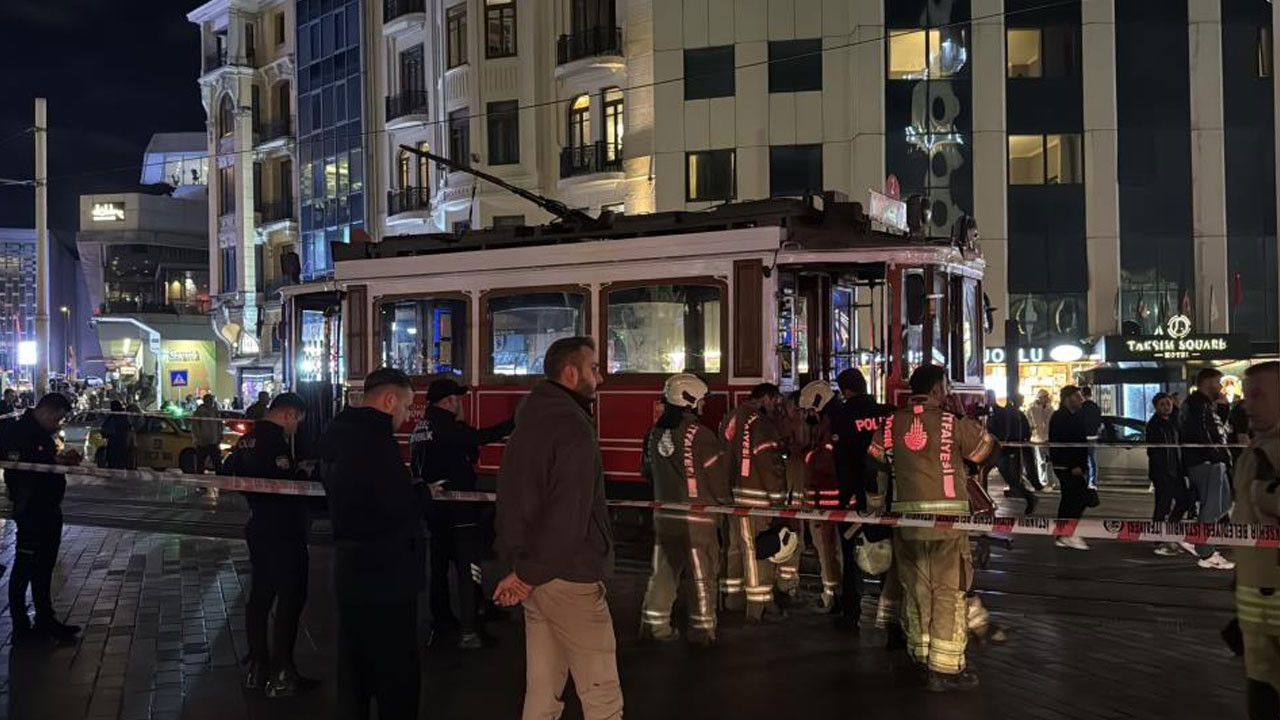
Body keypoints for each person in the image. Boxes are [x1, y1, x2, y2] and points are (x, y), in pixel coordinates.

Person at [492, 336, 623, 720]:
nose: (601, 377)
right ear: (570, 373)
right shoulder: (574, 430)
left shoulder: (529, 422)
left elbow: (513, 502)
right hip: (569, 576)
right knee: (602, 693)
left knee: (543, 689)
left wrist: (520, 572)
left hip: (533, 574)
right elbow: (568, 517)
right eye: (594, 368)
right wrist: (530, 574)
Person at [868, 365, 997, 692]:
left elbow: (875, 463)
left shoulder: (889, 424)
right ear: (939, 388)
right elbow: (987, 451)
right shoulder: (951, 423)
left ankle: (921, 656)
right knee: (948, 592)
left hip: (906, 522)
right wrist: (961, 418)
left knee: (916, 589)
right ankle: (946, 668)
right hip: (948, 522)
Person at [320, 368, 424, 720]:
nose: (407, 416)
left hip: (350, 569)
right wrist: (421, 496)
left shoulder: (338, 433)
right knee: (395, 670)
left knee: (354, 667)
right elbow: (394, 506)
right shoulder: (375, 443)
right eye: (406, 406)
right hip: (387, 573)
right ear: (389, 400)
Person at [411, 376, 514, 651]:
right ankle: (471, 628)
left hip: (435, 512)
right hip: (459, 513)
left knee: (440, 568)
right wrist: (514, 422)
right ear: (449, 402)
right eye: (457, 399)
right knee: (470, 569)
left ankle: (443, 620)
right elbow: (479, 440)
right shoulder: (446, 427)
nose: (460, 404)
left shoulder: (421, 427)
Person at [222, 392, 315, 697]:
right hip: (283, 530)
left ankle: (257, 663)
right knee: (290, 598)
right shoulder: (276, 443)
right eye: (297, 422)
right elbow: (284, 485)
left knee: (260, 595)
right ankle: (282, 670)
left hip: (258, 526)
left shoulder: (246, 440)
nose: (296, 429)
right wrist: (302, 474)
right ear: (289, 415)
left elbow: (228, 471)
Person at [638, 373, 728, 646]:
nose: (703, 405)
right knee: (702, 577)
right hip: (698, 519)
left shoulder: (653, 434)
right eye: (701, 400)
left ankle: (654, 626)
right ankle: (702, 631)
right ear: (689, 400)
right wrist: (723, 509)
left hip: (664, 516)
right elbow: (718, 479)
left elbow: (646, 471)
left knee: (663, 573)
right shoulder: (701, 435)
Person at [2, 392, 82, 642]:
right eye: (57, 419)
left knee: (44, 566)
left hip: (48, 507)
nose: (57, 424)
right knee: (24, 566)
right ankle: (21, 627)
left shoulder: (39, 432)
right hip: (31, 510)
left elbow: (41, 461)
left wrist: (58, 460)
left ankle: (45, 619)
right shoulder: (18, 432)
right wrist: (53, 463)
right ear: (46, 411)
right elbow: (21, 469)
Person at [1229, 361, 1280, 719]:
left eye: (1258, 394)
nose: (1247, 403)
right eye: (1247, 395)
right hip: (1256, 612)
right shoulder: (1254, 451)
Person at [828, 368, 897, 633]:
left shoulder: (841, 416)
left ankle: (851, 615)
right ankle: (892, 625)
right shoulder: (888, 413)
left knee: (851, 555)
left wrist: (845, 499)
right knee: (889, 558)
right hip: (887, 497)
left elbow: (841, 462)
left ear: (844, 390)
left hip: (855, 497)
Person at [718, 382, 787, 622]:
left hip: (731, 494)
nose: (776, 405)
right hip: (756, 497)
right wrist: (779, 498)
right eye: (775, 400)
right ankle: (758, 607)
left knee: (734, 547)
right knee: (756, 550)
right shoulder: (761, 424)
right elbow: (769, 464)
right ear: (765, 398)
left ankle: (731, 598)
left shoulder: (730, 417)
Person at [1179, 367, 1236, 570]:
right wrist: (1215, 456)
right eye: (1218, 382)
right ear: (1207, 382)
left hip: (1212, 460)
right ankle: (1205, 551)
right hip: (1206, 461)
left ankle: (1198, 541)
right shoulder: (1196, 404)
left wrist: (1223, 408)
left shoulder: (1205, 405)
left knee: (1223, 502)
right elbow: (1202, 432)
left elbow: (1219, 429)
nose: (1221, 387)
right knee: (1213, 506)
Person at [797, 381, 843, 610]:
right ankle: (835, 592)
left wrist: (806, 456)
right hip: (832, 498)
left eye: (809, 410)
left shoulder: (828, 427)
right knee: (833, 550)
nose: (807, 415)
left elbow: (823, 461)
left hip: (824, 498)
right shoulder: (831, 422)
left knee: (826, 550)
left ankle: (831, 594)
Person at [1146, 392, 1190, 556]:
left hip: (1176, 470)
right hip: (1162, 472)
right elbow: (1154, 452)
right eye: (1162, 404)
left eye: (1168, 404)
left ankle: (1169, 531)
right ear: (1156, 407)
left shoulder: (1174, 422)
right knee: (1162, 505)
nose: (1166, 407)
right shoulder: (1154, 425)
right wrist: (1160, 471)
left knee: (1183, 501)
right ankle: (1159, 539)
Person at [1049, 386, 1092, 550]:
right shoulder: (1060, 418)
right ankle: (1066, 533)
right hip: (1067, 466)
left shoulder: (1074, 416)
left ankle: (1063, 534)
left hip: (1074, 465)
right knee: (1076, 498)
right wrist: (1073, 465)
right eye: (1077, 396)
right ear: (1067, 398)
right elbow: (1062, 444)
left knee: (1071, 499)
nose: (1080, 399)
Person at [987, 391, 1036, 515]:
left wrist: (1006, 443)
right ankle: (1027, 495)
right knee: (1008, 476)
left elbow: (1007, 430)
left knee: (1010, 476)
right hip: (1000, 447)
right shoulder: (995, 412)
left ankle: (1027, 495)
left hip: (1003, 448)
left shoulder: (1002, 412)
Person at [1027, 389, 1054, 490]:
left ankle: (1050, 481)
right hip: (1037, 438)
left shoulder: (1050, 408)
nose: (1047, 398)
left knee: (1050, 461)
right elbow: (1029, 421)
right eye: (1045, 396)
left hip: (1047, 438)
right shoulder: (1032, 408)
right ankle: (1043, 480)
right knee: (1041, 461)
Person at [190, 394, 223, 473]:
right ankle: (200, 480)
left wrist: (220, 436)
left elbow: (219, 424)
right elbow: (195, 427)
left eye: (212, 400)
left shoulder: (215, 411)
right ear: (205, 401)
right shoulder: (199, 412)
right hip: (203, 442)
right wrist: (198, 438)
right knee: (201, 463)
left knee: (217, 463)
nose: (211, 402)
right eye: (210, 400)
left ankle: (220, 478)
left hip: (214, 441)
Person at [1079, 386, 1103, 488]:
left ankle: (1086, 480)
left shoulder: (1081, 407)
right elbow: (1099, 422)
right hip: (1093, 436)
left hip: (1084, 436)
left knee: (1084, 459)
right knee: (1092, 458)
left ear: (1082, 395)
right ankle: (1093, 481)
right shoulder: (1095, 406)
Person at [100, 400, 135, 469]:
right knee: (117, 457)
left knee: (114, 457)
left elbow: (105, 427)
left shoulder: (115, 416)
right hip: (120, 439)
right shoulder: (122, 416)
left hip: (116, 439)